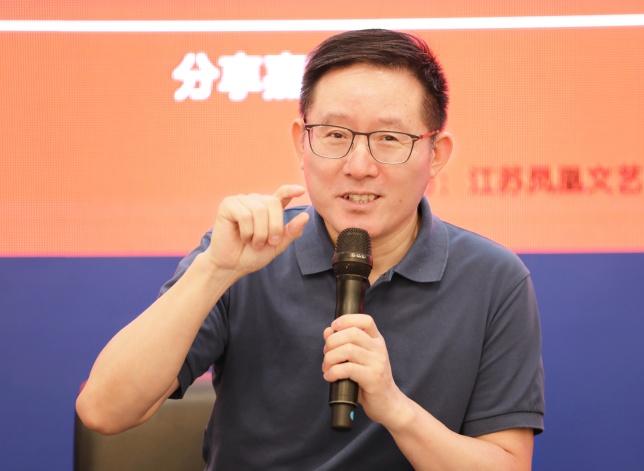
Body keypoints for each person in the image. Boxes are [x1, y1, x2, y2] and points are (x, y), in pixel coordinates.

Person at [76, 29, 544, 470]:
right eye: (335, 135)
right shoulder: (246, 253)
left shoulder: (492, 279)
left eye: (389, 139)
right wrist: (214, 270)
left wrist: (395, 408)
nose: (359, 166)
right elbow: (104, 409)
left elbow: (506, 462)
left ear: (436, 154)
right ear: (302, 142)